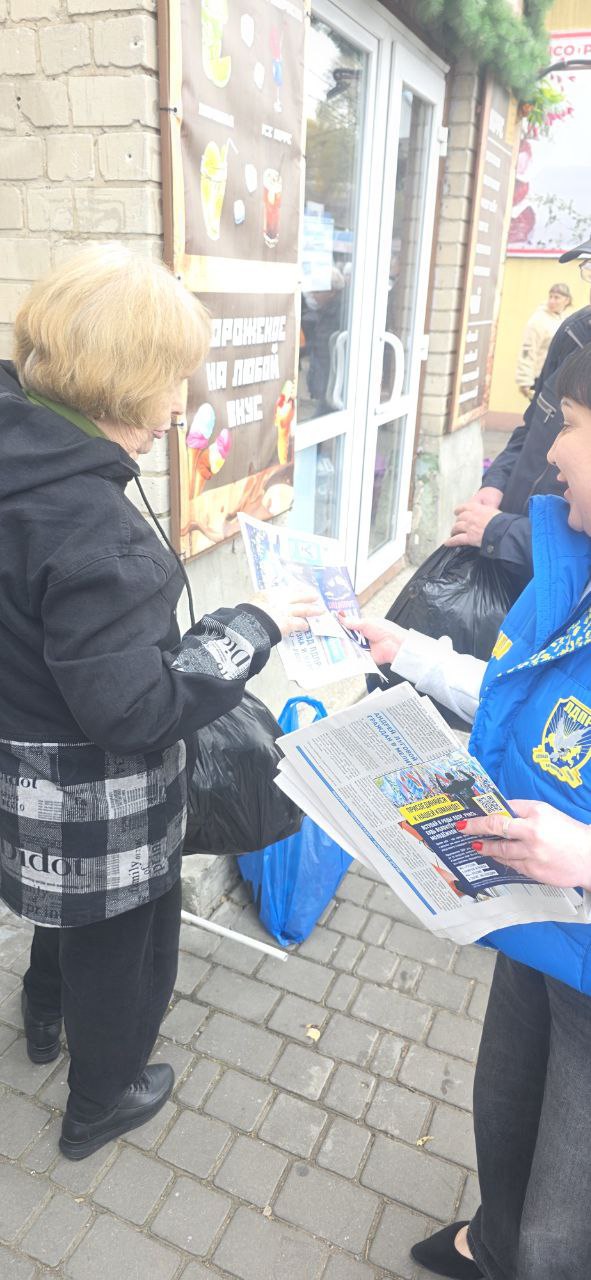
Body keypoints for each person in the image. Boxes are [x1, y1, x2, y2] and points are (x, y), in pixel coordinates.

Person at [0, 246, 322, 1161]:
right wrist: (248, 627)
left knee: (60, 920)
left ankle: (40, 1016)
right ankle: (100, 1102)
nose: (181, 407)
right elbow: (135, 712)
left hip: (22, 769)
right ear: (118, 381)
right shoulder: (93, 532)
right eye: (172, 379)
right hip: (99, 798)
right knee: (127, 953)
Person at [344, 342, 591, 1280]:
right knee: (506, 1104)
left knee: (565, 1221)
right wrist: (408, 652)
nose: (550, 455)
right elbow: (518, 692)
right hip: (531, 917)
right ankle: (491, 1239)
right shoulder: (573, 556)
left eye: (568, 428)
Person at [448, 236, 591, 583]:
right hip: (505, 543)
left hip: (549, 582)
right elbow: (532, 425)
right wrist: (496, 483)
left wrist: (504, 534)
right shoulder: (574, 333)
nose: (555, 454)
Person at [514, 282, 572, 400]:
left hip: (556, 379)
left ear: (566, 300)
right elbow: (528, 351)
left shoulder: (564, 319)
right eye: (550, 296)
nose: (552, 301)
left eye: (557, 297)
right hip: (539, 378)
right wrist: (524, 381)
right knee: (538, 417)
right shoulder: (538, 320)